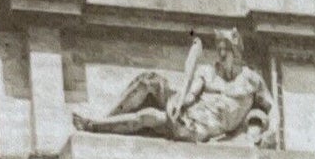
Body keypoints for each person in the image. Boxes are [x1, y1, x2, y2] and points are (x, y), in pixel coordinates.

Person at [74, 31, 274, 146]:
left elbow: (270, 109)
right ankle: (106, 117)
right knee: (148, 81)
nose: (221, 54)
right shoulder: (209, 72)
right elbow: (191, 94)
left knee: (148, 116)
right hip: (186, 110)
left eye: (226, 50)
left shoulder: (251, 80)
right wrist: (178, 103)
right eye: (219, 49)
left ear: (236, 53)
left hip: (197, 129)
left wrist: (263, 130)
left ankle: (95, 126)